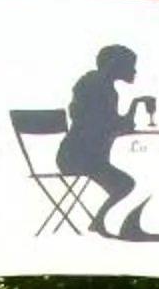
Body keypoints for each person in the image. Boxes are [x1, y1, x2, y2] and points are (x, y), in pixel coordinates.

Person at [58, 45, 143, 224]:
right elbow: (114, 124)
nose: (134, 70)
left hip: (72, 155)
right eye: (130, 65)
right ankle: (97, 222)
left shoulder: (93, 83)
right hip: (82, 160)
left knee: (122, 184)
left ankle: (98, 222)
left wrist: (135, 105)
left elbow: (111, 123)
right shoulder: (102, 88)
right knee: (125, 184)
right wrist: (135, 105)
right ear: (115, 64)